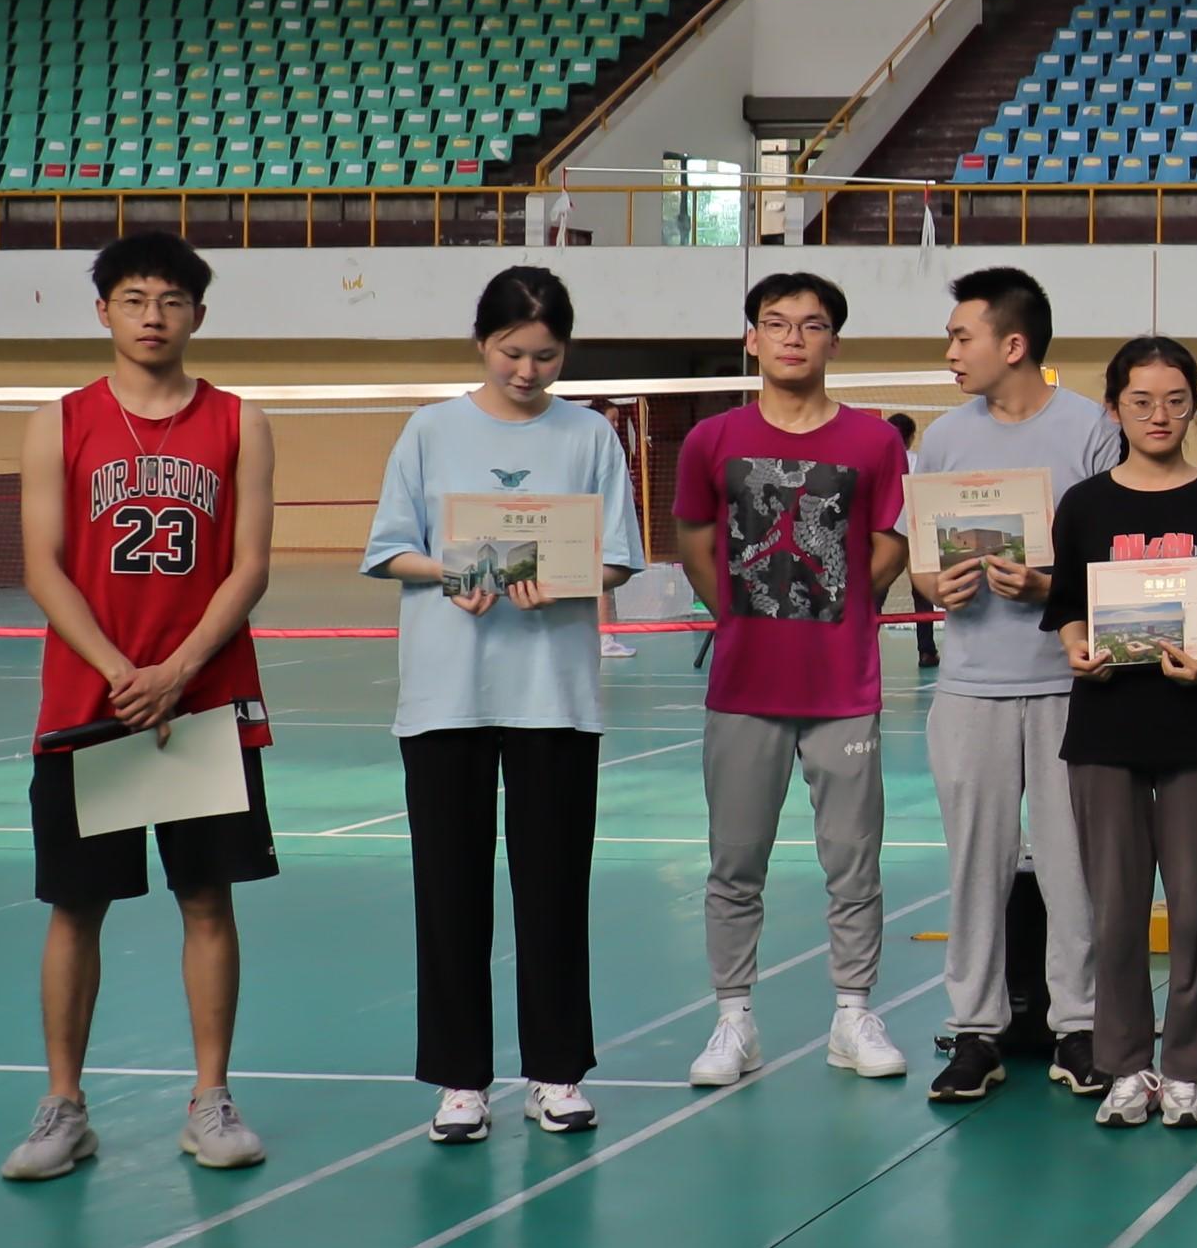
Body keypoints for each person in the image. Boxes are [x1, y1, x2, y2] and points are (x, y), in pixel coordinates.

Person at [2, 230, 280, 1183]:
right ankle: (64, 1106)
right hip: (92, 702)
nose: (152, 315)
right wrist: (125, 671)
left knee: (206, 898)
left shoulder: (240, 422)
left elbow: (249, 566)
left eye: (170, 300)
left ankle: (210, 1099)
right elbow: (43, 566)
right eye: (133, 299)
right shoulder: (59, 422)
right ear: (104, 312)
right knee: (75, 906)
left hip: (201, 704)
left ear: (197, 313)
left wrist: (178, 670)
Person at [361, 266, 645, 1144]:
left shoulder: (589, 435)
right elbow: (390, 550)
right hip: (445, 695)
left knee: (554, 891)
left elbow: (616, 558)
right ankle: (460, 1081)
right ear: (481, 343)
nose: (527, 371)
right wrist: (455, 570)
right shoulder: (429, 430)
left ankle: (556, 1073)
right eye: (511, 352)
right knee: (449, 894)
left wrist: (562, 578)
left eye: (546, 356)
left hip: (554, 697)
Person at [675, 272, 911, 1088]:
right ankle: (733, 1020)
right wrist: (743, 617)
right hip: (744, 689)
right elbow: (695, 542)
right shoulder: (711, 440)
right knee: (735, 863)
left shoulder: (875, 442)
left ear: (833, 341)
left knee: (854, 862)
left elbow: (889, 544)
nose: (793, 338)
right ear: (752, 338)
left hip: (842, 689)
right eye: (776, 323)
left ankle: (853, 1014)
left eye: (811, 325)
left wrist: (835, 610)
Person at [913, 268, 1123, 1104]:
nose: (950, 351)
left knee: (1074, 867)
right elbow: (922, 563)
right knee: (975, 866)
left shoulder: (1091, 431)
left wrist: (1049, 589)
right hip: (970, 689)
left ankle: (1080, 1026)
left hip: (1072, 685)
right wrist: (937, 585)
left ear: (1013, 344)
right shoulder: (942, 439)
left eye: (961, 336)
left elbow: (1114, 560)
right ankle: (975, 1030)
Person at [1045, 338, 1197, 1128]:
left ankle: (1187, 1068)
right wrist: (1077, 647)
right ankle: (1125, 1065)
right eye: (1141, 401)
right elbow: (1068, 608)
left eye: (1175, 400)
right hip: (1105, 733)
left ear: (1193, 404)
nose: (1159, 415)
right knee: (1115, 912)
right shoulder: (1085, 506)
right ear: (1115, 408)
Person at [888, 412, 940, 671]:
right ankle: (926, 651)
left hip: (887, 535)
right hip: (917, 533)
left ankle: (863, 649)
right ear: (910, 437)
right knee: (922, 594)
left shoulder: (882, 462)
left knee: (876, 592)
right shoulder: (918, 461)